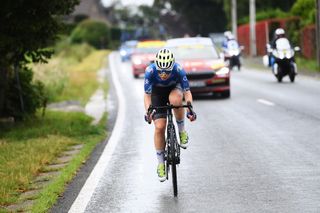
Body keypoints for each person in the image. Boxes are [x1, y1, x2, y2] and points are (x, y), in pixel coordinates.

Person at [144, 48, 197, 182]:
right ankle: (161, 163)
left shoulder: (178, 70)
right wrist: (148, 111)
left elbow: (187, 92)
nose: (163, 74)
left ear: (171, 67)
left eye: (166, 71)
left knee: (176, 100)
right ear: (156, 66)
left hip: (174, 89)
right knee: (160, 127)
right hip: (157, 93)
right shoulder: (150, 71)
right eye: (161, 71)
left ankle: (182, 131)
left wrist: (190, 108)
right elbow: (147, 96)